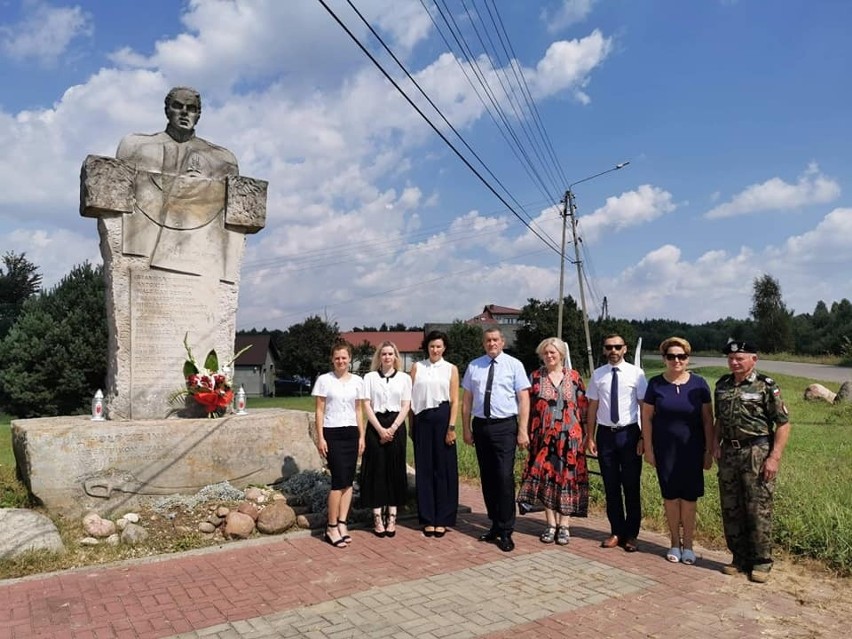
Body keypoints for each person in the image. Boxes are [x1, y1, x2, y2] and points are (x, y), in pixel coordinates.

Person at [713, 340, 791, 583]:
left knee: (758, 508)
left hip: (756, 452)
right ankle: (739, 559)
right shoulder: (722, 385)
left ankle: (761, 561)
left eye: (740, 358)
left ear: (753, 359)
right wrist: (714, 445)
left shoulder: (766, 386)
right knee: (731, 507)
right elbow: (719, 421)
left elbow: (783, 423)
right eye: (731, 358)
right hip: (730, 453)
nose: (735, 362)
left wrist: (774, 457)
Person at [641, 337, 713, 565]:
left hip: (692, 450)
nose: (676, 360)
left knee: (689, 499)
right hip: (665, 451)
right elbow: (647, 418)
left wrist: (709, 450)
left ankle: (689, 545)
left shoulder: (699, 384)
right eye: (671, 356)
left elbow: (707, 420)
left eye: (681, 356)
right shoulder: (655, 385)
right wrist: (649, 448)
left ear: (688, 358)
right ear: (664, 358)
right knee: (671, 498)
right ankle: (674, 542)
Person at [462, 327, 530, 552]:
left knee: (504, 477)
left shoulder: (514, 365)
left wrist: (522, 430)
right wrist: (466, 429)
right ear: (484, 343)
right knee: (488, 477)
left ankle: (506, 530)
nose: (492, 343)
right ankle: (494, 524)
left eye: (495, 340)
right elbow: (467, 400)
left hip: (505, 427)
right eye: (488, 340)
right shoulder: (474, 366)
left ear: (502, 342)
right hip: (481, 426)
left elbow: (523, 399)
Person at [517, 337, 589, 546]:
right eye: (546, 353)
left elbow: (583, 408)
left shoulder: (574, 377)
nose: (549, 356)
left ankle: (564, 525)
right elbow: (526, 407)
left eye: (553, 352)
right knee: (547, 480)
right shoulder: (535, 377)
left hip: (570, 440)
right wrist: (523, 432)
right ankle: (550, 524)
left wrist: (587, 436)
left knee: (567, 480)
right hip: (543, 439)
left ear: (561, 355)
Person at [585, 334, 647, 552]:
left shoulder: (636, 374)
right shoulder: (598, 375)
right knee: (610, 486)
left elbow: (643, 407)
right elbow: (592, 406)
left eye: (617, 347)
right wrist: (590, 436)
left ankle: (631, 534)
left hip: (629, 434)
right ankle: (616, 531)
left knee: (631, 486)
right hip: (606, 436)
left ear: (625, 349)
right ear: (604, 350)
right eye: (609, 347)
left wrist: (643, 437)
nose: (613, 350)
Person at [312, 342, 365, 548]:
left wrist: (361, 436)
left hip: (351, 433)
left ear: (349, 359)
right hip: (332, 433)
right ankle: (331, 527)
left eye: (344, 358)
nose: (341, 361)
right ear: (332, 359)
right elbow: (319, 411)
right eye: (337, 358)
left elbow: (359, 410)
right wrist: (321, 437)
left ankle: (343, 523)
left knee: (348, 482)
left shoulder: (358, 381)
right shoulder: (324, 380)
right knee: (337, 482)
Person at [359, 341, 412, 538]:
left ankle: (392, 517)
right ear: (379, 357)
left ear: (396, 357)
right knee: (377, 471)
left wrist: (393, 428)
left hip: (396, 425)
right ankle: (377, 517)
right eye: (384, 354)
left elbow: (406, 405)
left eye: (391, 354)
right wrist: (381, 430)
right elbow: (366, 405)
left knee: (395, 470)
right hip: (376, 425)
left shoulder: (405, 379)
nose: (387, 357)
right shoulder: (370, 378)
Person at [410, 330, 460, 538]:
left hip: (442, 418)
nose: (435, 349)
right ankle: (428, 518)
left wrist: (451, 428)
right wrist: (411, 427)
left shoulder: (451, 369)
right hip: (421, 419)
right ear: (427, 347)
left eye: (439, 346)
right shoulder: (417, 367)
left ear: (444, 348)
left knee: (444, 470)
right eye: (432, 346)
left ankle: (443, 518)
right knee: (425, 470)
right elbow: (410, 398)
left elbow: (455, 400)